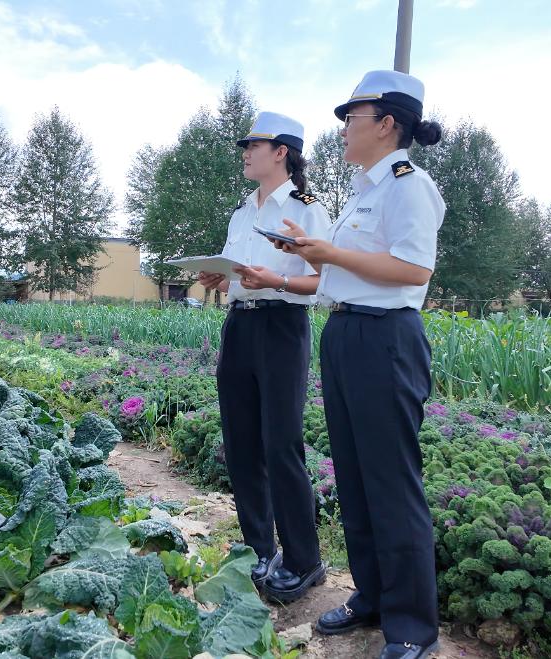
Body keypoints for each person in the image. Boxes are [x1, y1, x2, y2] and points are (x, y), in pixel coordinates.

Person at [272, 70, 445, 659]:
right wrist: (307, 250)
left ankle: (411, 628)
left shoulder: (408, 185)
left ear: (388, 123)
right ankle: (371, 596)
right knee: (353, 474)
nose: (344, 129)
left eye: (353, 118)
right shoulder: (365, 191)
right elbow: (347, 268)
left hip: (386, 339)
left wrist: (330, 251)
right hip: (345, 332)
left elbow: (414, 271)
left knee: (391, 483)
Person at [196, 111, 331, 604]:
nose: (246, 152)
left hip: (281, 326)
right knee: (242, 440)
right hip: (241, 325)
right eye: (245, 145)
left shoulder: (307, 207)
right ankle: (258, 548)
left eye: (255, 145)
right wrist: (220, 277)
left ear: (282, 153)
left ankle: (304, 558)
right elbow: (240, 270)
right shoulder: (242, 210)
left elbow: (327, 280)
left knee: (281, 444)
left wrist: (274, 280)